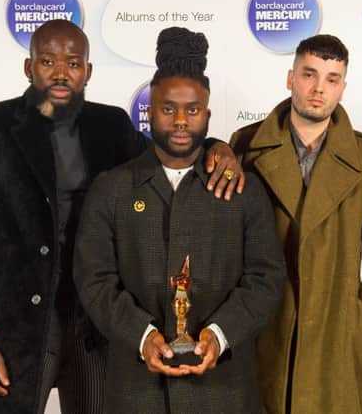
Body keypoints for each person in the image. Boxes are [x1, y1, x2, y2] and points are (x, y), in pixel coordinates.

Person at [0, 19, 243, 414]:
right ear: (28, 67)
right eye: (48, 60)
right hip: (17, 321)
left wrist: (219, 146)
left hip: (95, 321)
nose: (60, 72)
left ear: (87, 71)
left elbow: (170, 153)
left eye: (72, 62)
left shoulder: (111, 125)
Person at [72, 27, 285, 413]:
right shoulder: (111, 189)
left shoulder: (244, 191)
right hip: (136, 392)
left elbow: (266, 279)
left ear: (207, 114)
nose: (181, 121)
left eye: (192, 110)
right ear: (150, 112)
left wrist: (220, 336)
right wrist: (142, 335)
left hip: (225, 392)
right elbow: (94, 279)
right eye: (168, 109)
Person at [230, 34, 362, 414]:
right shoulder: (245, 147)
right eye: (309, 74)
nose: (319, 89)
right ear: (290, 78)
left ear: (343, 87)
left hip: (337, 340)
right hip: (265, 331)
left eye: (332, 79)